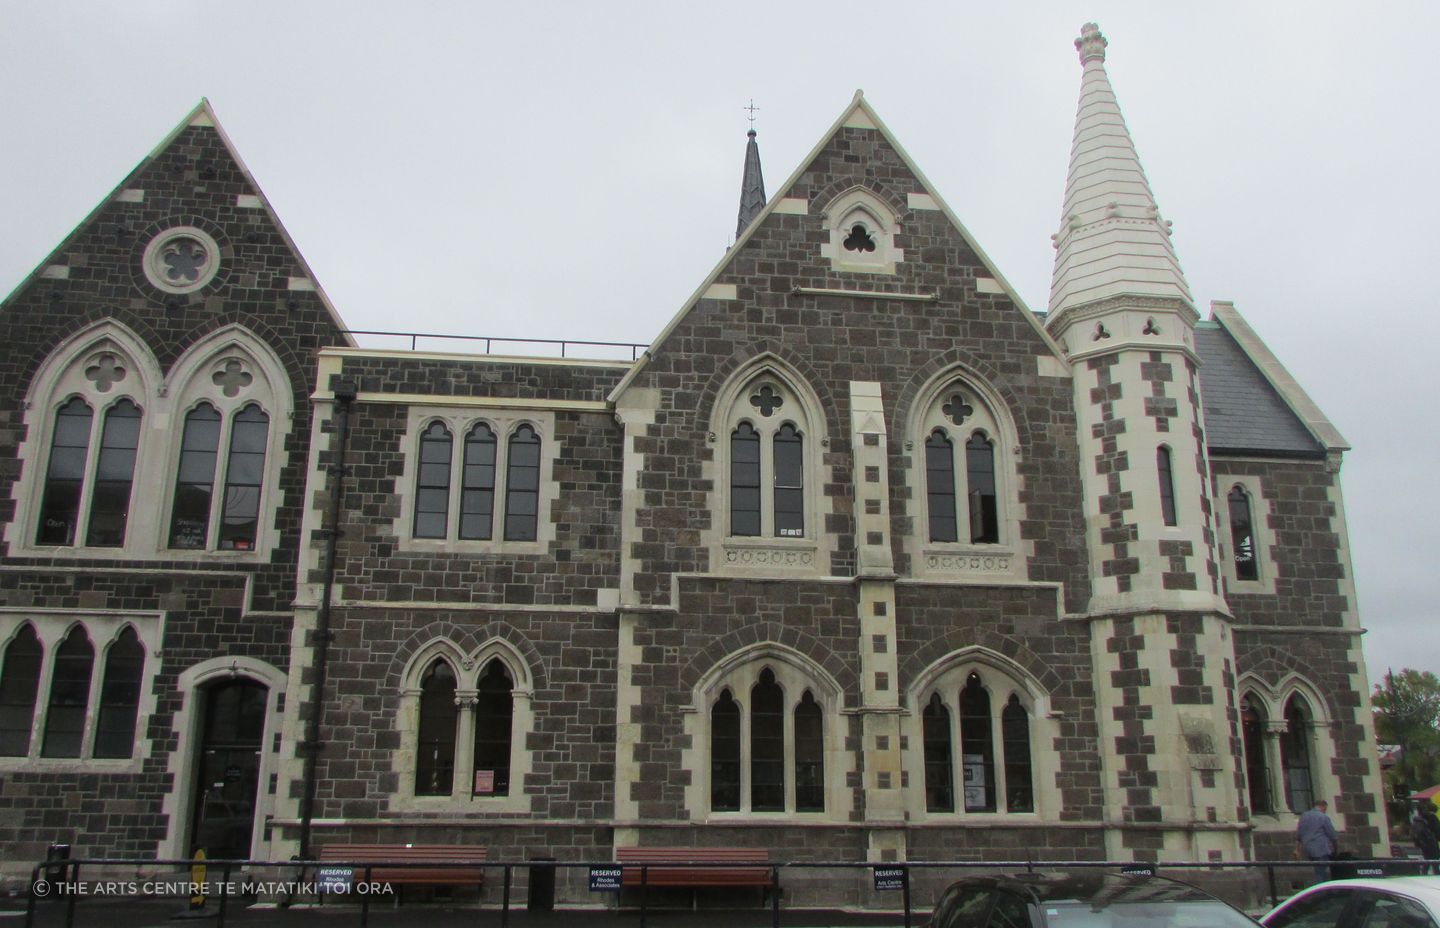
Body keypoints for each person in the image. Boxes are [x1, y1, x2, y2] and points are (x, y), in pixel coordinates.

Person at [1296, 798, 1339, 883]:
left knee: (1317, 870)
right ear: (1323, 807)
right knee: (1321, 872)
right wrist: (1336, 849)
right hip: (1320, 849)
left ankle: (1320, 887)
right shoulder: (1323, 817)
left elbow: (1298, 835)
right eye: (1325, 809)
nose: (1325, 811)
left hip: (1307, 849)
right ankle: (1322, 889)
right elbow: (1333, 835)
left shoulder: (1303, 816)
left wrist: (1297, 850)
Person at [1413, 799, 1440, 875]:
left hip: (1423, 843)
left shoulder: (1419, 819)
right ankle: (1437, 875)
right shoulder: (1432, 818)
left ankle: (1424, 874)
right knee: (1435, 861)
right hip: (1432, 842)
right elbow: (1437, 830)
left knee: (1427, 859)